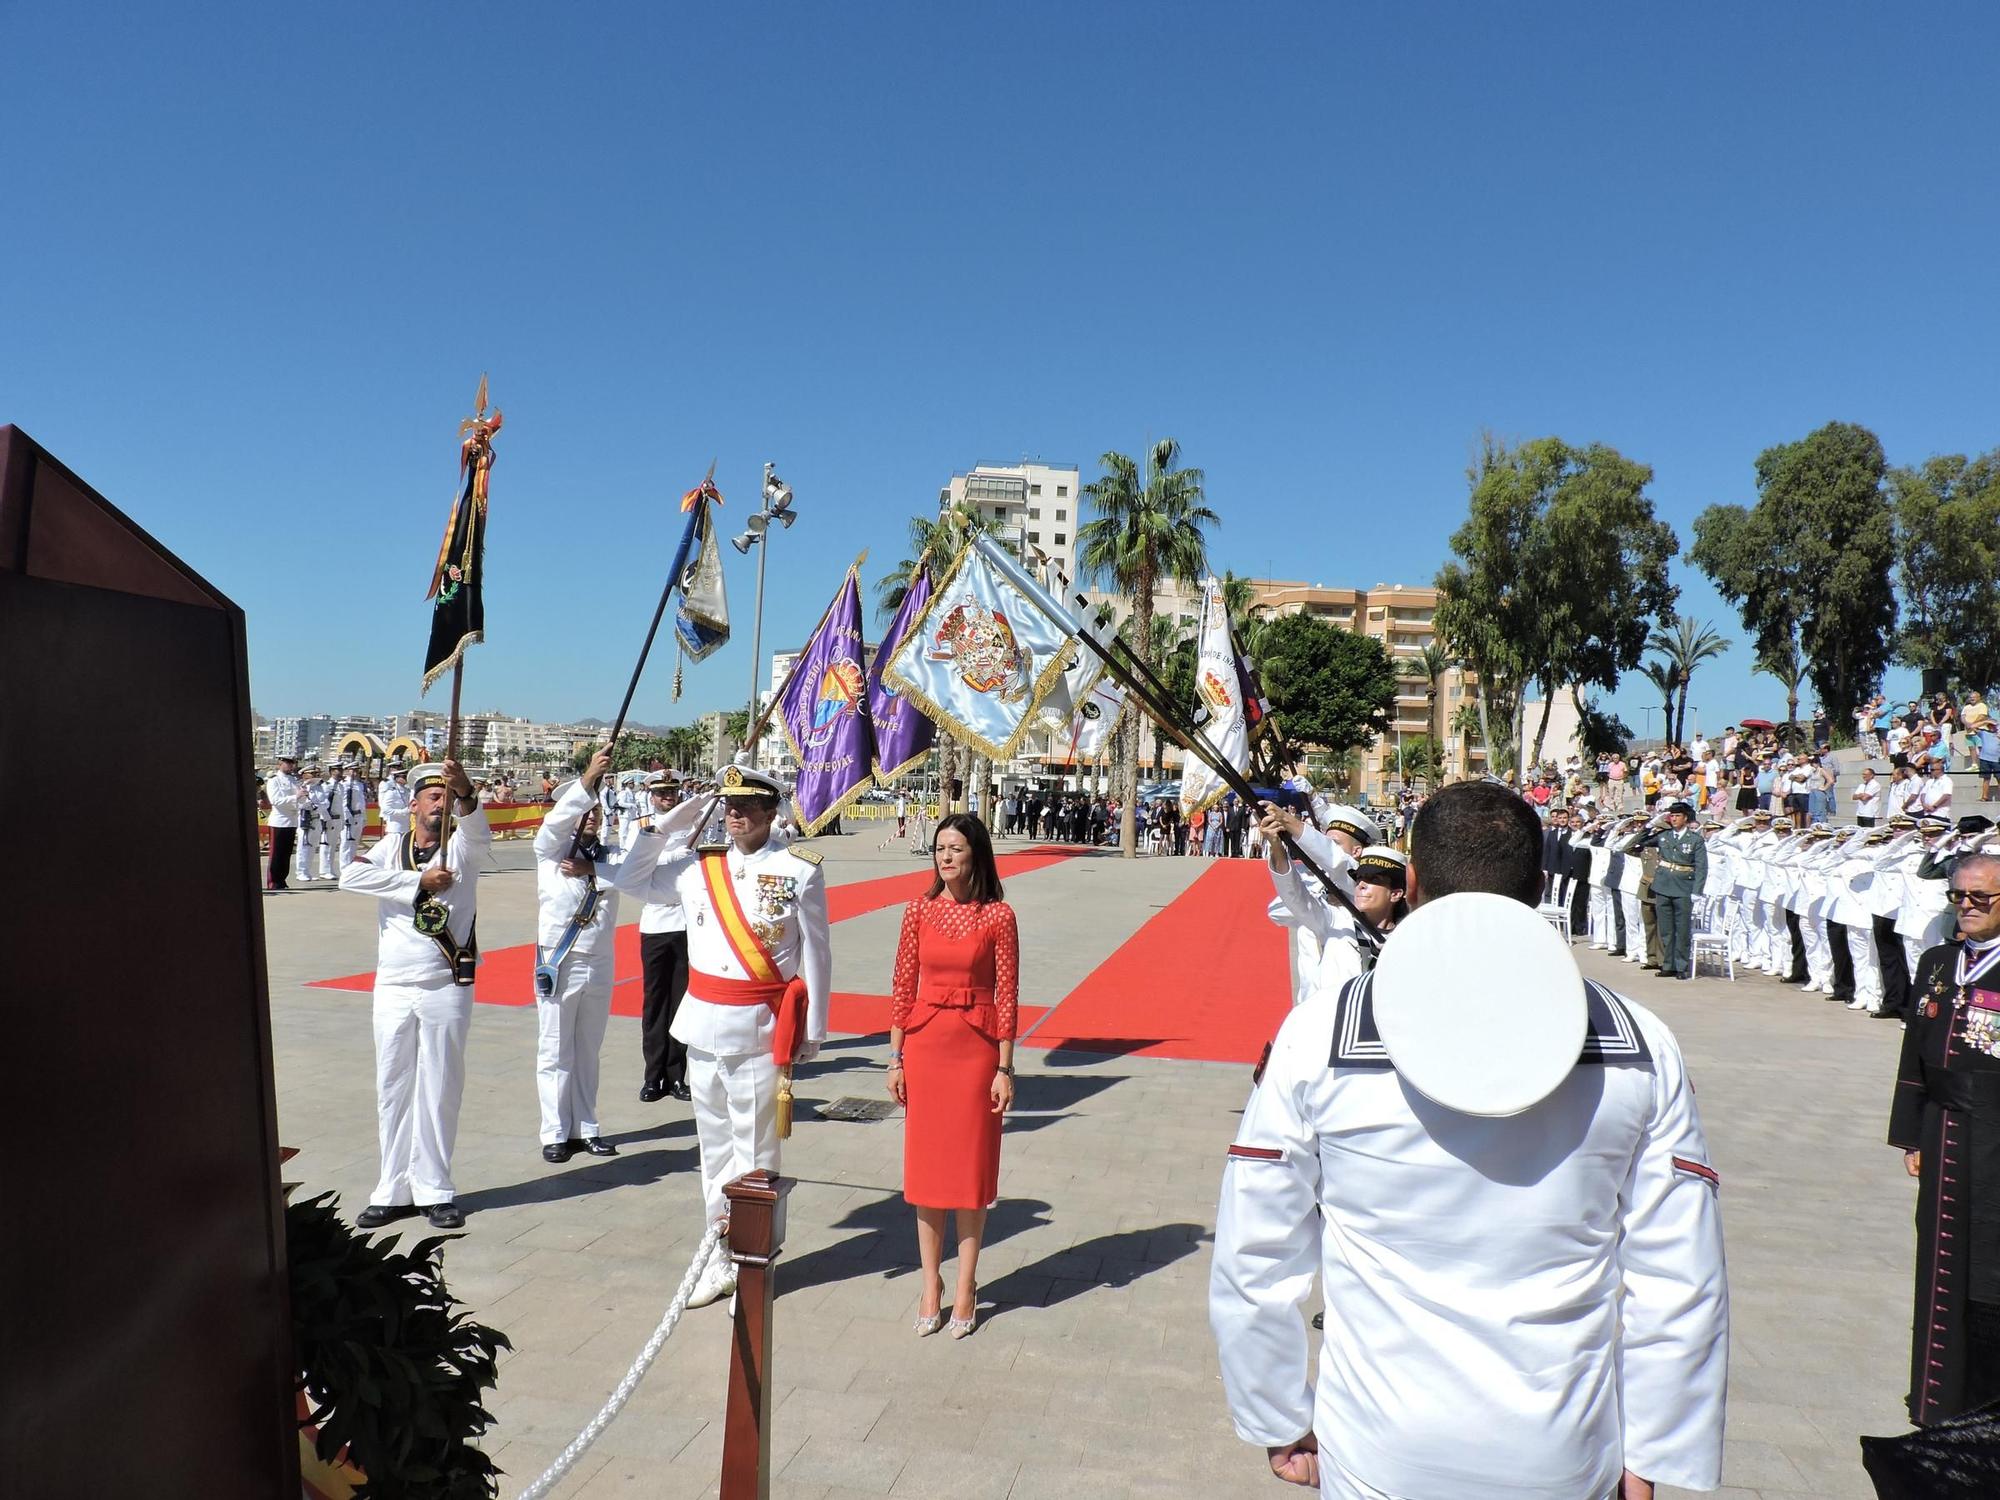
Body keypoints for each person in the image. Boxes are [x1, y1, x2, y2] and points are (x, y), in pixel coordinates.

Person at [1210, 781, 1728, 1497]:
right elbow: (1680, 1278)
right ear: (1539, 882)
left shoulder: (1320, 1034)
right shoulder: (1643, 1043)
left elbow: (1255, 1254)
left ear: (1412, 882)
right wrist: (1655, 1454)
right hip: (1562, 1452)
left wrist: (1273, 1411)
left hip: (1377, 1448)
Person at [634, 763, 830, 1309]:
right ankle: (715, 1256)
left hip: (760, 1029)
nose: (735, 812)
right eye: (728, 803)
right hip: (702, 1024)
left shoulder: (798, 870)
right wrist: (673, 820)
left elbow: (816, 952)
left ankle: (752, 1265)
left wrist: (811, 1031)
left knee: (756, 1153)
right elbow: (628, 879)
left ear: (772, 810)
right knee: (713, 1149)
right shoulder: (699, 871)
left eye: (747, 804)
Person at [340, 760, 489, 1231]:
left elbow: (475, 823)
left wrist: (464, 789)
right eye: (433, 797)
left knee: (440, 1085)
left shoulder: (463, 847)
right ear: (414, 804)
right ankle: (391, 1189)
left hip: (445, 982)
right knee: (392, 1086)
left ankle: (435, 1188)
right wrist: (415, 882)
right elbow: (350, 878)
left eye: (446, 798)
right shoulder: (391, 847)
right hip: (393, 985)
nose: (440, 805)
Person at [885, 814, 1017, 1339]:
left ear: (976, 854)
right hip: (925, 1046)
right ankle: (929, 1284)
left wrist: (1005, 1067)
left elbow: (1007, 994)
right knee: (927, 1174)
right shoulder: (917, 910)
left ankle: (965, 1284)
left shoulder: (999, 916)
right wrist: (894, 1058)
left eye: (956, 848)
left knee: (969, 1174)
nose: (945, 857)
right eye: (939, 848)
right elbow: (901, 984)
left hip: (977, 1050)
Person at [1889, 851, 2000, 1423]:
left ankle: (1984, 1396)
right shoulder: (1938, 960)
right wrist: (1912, 1136)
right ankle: (1936, 1394)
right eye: (1958, 896)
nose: (1967, 907)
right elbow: (1915, 1052)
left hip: (1994, 1138)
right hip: (1943, 1128)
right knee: (1938, 1263)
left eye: (1980, 898)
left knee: (1987, 1268)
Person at [531, 750, 669, 1161]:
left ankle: (585, 1126)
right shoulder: (550, 852)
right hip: (560, 959)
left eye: (596, 810)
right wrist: (589, 778)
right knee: (555, 1049)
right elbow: (554, 826)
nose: (591, 816)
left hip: (598, 961)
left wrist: (593, 872)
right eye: (584, 809)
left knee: (588, 1049)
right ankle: (555, 1131)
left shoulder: (608, 858)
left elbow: (632, 876)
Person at [638, 774, 694, 1104]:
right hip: (656, 924)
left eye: (671, 792)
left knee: (681, 1003)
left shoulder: (690, 827)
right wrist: (667, 856)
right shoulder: (641, 826)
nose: (668, 798)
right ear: (651, 797)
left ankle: (677, 1076)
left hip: (685, 923)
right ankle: (652, 1076)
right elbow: (636, 864)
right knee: (654, 1004)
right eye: (661, 794)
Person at [1646, 804, 1709, 982]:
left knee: (1681, 930)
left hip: (1683, 887)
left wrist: (1697, 890)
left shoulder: (1695, 840)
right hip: (1663, 886)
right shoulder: (1664, 836)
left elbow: (1702, 867)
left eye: (1677, 816)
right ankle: (1668, 965)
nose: (1673, 819)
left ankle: (1681, 966)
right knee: (1666, 929)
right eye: (1671, 816)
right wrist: (1650, 826)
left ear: (1686, 818)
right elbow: (1637, 843)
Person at [264, 755, 302, 891]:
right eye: (288, 762)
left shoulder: (293, 780)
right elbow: (276, 800)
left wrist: (303, 797)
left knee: (286, 854)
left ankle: (282, 880)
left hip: (291, 821)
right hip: (279, 821)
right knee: (276, 854)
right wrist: (295, 797)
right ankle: (273, 882)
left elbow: (300, 800)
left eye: (292, 763)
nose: (291, 765)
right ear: (280, 763)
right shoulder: (274, 780)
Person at [379, 765, 413, 844]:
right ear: (397, 778)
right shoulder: (391, 792)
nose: (406, 779)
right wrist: (403, 812)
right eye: (404, 777)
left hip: (405, 827)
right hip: (395, 828)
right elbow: (385, 809)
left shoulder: (407, 791)